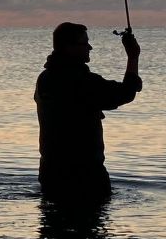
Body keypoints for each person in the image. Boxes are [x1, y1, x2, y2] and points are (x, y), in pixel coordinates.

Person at [34, 22, 141, 201]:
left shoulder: (45, 79)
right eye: (84, 43)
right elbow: (125, 93)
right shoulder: (80, 81)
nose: (90, 47)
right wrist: (133, 57)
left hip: (51, 174)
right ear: (69, 47)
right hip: (85, 176)